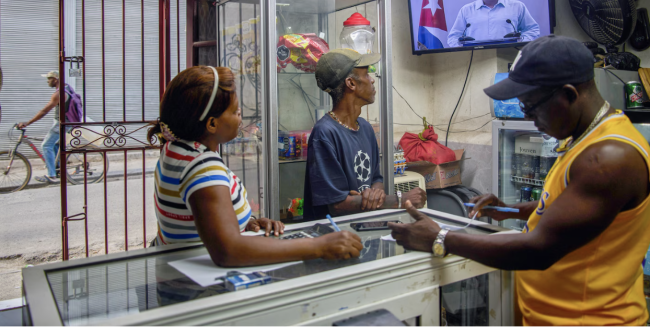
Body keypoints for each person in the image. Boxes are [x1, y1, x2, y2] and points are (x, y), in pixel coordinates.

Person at [389, 35, 650, 326]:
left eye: (530, 107)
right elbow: (563, 208)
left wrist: (441, 238)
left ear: (569, 95)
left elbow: (539, 249)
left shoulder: (608, 158)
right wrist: (508, 210)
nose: (528, 118)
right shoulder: (583, 139)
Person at [147, 65, 363, 267]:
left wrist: (245, 223)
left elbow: (199, 221)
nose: (240, 114)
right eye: (235, 111)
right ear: (212, 123)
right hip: (202, 281)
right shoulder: (203, 167)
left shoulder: (175, 148)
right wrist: (318, 246)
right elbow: (228, 251)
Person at [303, 49, 426, 221]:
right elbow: (337, 205)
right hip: (334, 234)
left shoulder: (366, 128)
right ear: (351, 83)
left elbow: (376, 179)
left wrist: (371, 196)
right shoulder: (324, 133)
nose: (372, 80)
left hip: (362, 228)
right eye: (367, 74)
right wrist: (400, 200)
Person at [447, 0, 540, 47]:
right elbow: (454, 36)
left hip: (509, 54)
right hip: (474, 57)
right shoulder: (466, 10)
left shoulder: (517, 6)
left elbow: (532, 30)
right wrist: (461, 49)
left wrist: (519, 43)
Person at [18, 71, 70, 183]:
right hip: (64, 122)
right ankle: (58, 169)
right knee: (54, 145)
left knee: (46, 145)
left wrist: (28, 123)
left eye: (49, 79)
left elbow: (44, 111)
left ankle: (51, 175)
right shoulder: (67, 88)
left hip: (61, 124)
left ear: (55, 79)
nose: (47, 81)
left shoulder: (58, 94)